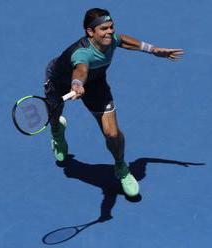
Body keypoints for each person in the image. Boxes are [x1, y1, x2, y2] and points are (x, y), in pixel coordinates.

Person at [44, 8, 184, 197]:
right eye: (104, 29)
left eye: (111, 27)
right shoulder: (83, 54)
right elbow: (81, 70)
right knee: (54, 115)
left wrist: (152, 49)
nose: (110, 31)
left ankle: (121, 167)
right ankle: (57, 134)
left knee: (112, 133)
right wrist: (76, 83)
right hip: (58, 81)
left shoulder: (111, 40)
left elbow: (123, 40)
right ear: (90, 32)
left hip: (95, 85)